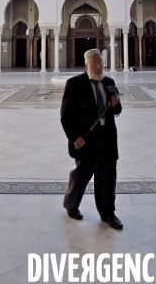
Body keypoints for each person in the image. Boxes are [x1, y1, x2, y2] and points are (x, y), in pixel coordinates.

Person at [60, 48, 123, 229]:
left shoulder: (109, 82)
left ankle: (108, 213)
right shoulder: (75, 84)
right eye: (94, 63)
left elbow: (117, 112)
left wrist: (116, 105)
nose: (97, 66)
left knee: (108, 177)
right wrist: (74, 137)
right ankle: (71, 205)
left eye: (100, 63)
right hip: (85, 139)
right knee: (82, 175)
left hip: (106, 138)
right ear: (86, 65)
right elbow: (66, 115)